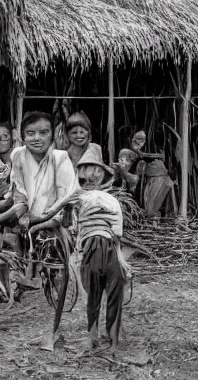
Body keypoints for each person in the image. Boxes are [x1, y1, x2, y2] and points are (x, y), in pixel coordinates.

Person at [0, 111, 80, 349]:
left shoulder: (60, 158)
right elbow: (18, 189)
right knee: (13, 241)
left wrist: (42, 217)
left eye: (43, 133)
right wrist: (19, 213)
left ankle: (58, 310)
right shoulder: (18, 155)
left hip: (55, 216)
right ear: (21, 136)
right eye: (30, 133)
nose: (37, 138)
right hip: (27, 215)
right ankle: (26, 278)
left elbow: (67, 196)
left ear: (53, 135)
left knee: (56, 256)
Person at [37, 147, 130, 352]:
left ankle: (99, 338)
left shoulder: (79, 198)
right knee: (107, 293)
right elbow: (116, 233)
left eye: (92, 178)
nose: (89, 182)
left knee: (95, 293)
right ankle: (105, 339)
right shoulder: (104, 200)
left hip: (96, 247)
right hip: (104, 247)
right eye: (85, 179)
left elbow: (53, 214)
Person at [128, 129, 175, 218]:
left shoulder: (156, 152)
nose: (136, 142)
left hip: (159, 180)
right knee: (148, 206)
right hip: (150, 180)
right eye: (135, 139)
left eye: (141, 139)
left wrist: (141, 154)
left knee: (152, 208)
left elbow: (158, 156)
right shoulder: (141, 154)